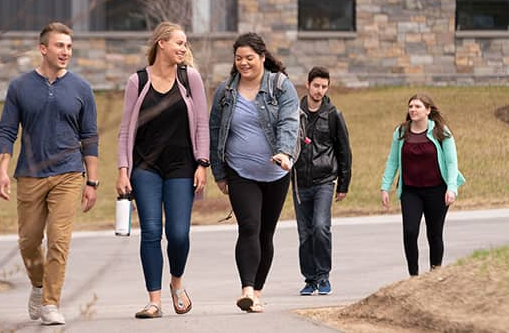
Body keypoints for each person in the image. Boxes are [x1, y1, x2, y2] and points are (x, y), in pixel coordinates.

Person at [0, 22, 99, 326]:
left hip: (68, 174)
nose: (65, 51)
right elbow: (6, 131)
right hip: (30, 173)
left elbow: (90, 137)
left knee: (58, 239)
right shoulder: (20, 87)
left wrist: (91, 181)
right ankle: (39, 287)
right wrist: (2, 170)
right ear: (43, 49)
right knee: (28, 241)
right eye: (59, 46)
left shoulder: (81, 88)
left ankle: (51, 303)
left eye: (68, 46)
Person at [116, 21, 209, 319]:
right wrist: (122, 168)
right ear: (162, 44)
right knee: (152, 232)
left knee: (179, 234)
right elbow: (123, 130)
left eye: (185, 44)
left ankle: (176, 283)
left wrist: (202, 163)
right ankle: (153, 300)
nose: (183, 48)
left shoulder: (190, 78)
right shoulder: (138, 81)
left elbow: (202, 124)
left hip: (182, 166)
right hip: (145, 166)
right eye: (178, 43)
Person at [209, 32, 299, 313]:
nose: (244, 63)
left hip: (276, 173)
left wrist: (284, 153)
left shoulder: (281, 86)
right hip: (240, 171)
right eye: (238, 59)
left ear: (262, 57)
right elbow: (215, 132)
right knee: (249, 226)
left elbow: (289, 122)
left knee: (265, 234)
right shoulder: (225, 92)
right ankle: (246, 290)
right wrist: (219, 172)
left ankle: (257, 293)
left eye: (249, 58)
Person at [380, 93, 466, 277]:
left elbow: (452, 163)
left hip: (437, 190)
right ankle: (414, 276)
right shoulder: (401, 132)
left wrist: (452, 188)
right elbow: (392, 161)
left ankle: (435, 273)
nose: (413, 110)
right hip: (411, 191)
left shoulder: (441, 132)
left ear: (428, 110)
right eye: (411, 106)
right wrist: (385, 187)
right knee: (410, 232)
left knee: (434, 234)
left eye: (418, 106)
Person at [291, 66, 352, 296]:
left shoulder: (333, 114)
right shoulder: (293, 112)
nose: (319, 90)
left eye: (324, 86)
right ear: (307, 85)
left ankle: (323, 275)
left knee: (320, 227)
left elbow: (344, 150)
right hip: (299, 181)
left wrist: (344, 183)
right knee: (305, 232)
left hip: (325, 180)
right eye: (316, 85)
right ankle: (310, 279)